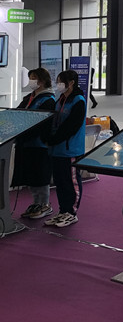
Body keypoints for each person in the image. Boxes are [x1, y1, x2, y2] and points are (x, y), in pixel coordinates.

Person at [43, 70, 86, 228]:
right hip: (56, 149)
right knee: (60, 182)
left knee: (71, 181)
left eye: (61, 81)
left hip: (70, 149)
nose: (59, 84)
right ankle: (63, 210)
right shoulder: (60, 99)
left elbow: (72, 126)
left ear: (71, 82)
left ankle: (71, 212)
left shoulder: (78, 100)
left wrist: (55, 139)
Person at [13, 68, 56, 220]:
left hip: (39, 144)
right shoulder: (30, 97)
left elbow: (43, 124)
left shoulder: (48, 100)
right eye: (30, 77)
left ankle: (45, 204)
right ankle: (36, 202)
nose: (31, 81)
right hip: (25, 143)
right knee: (30, 175)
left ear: (42, 81)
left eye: (33, 78)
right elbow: (17, 113)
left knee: (40, 175)